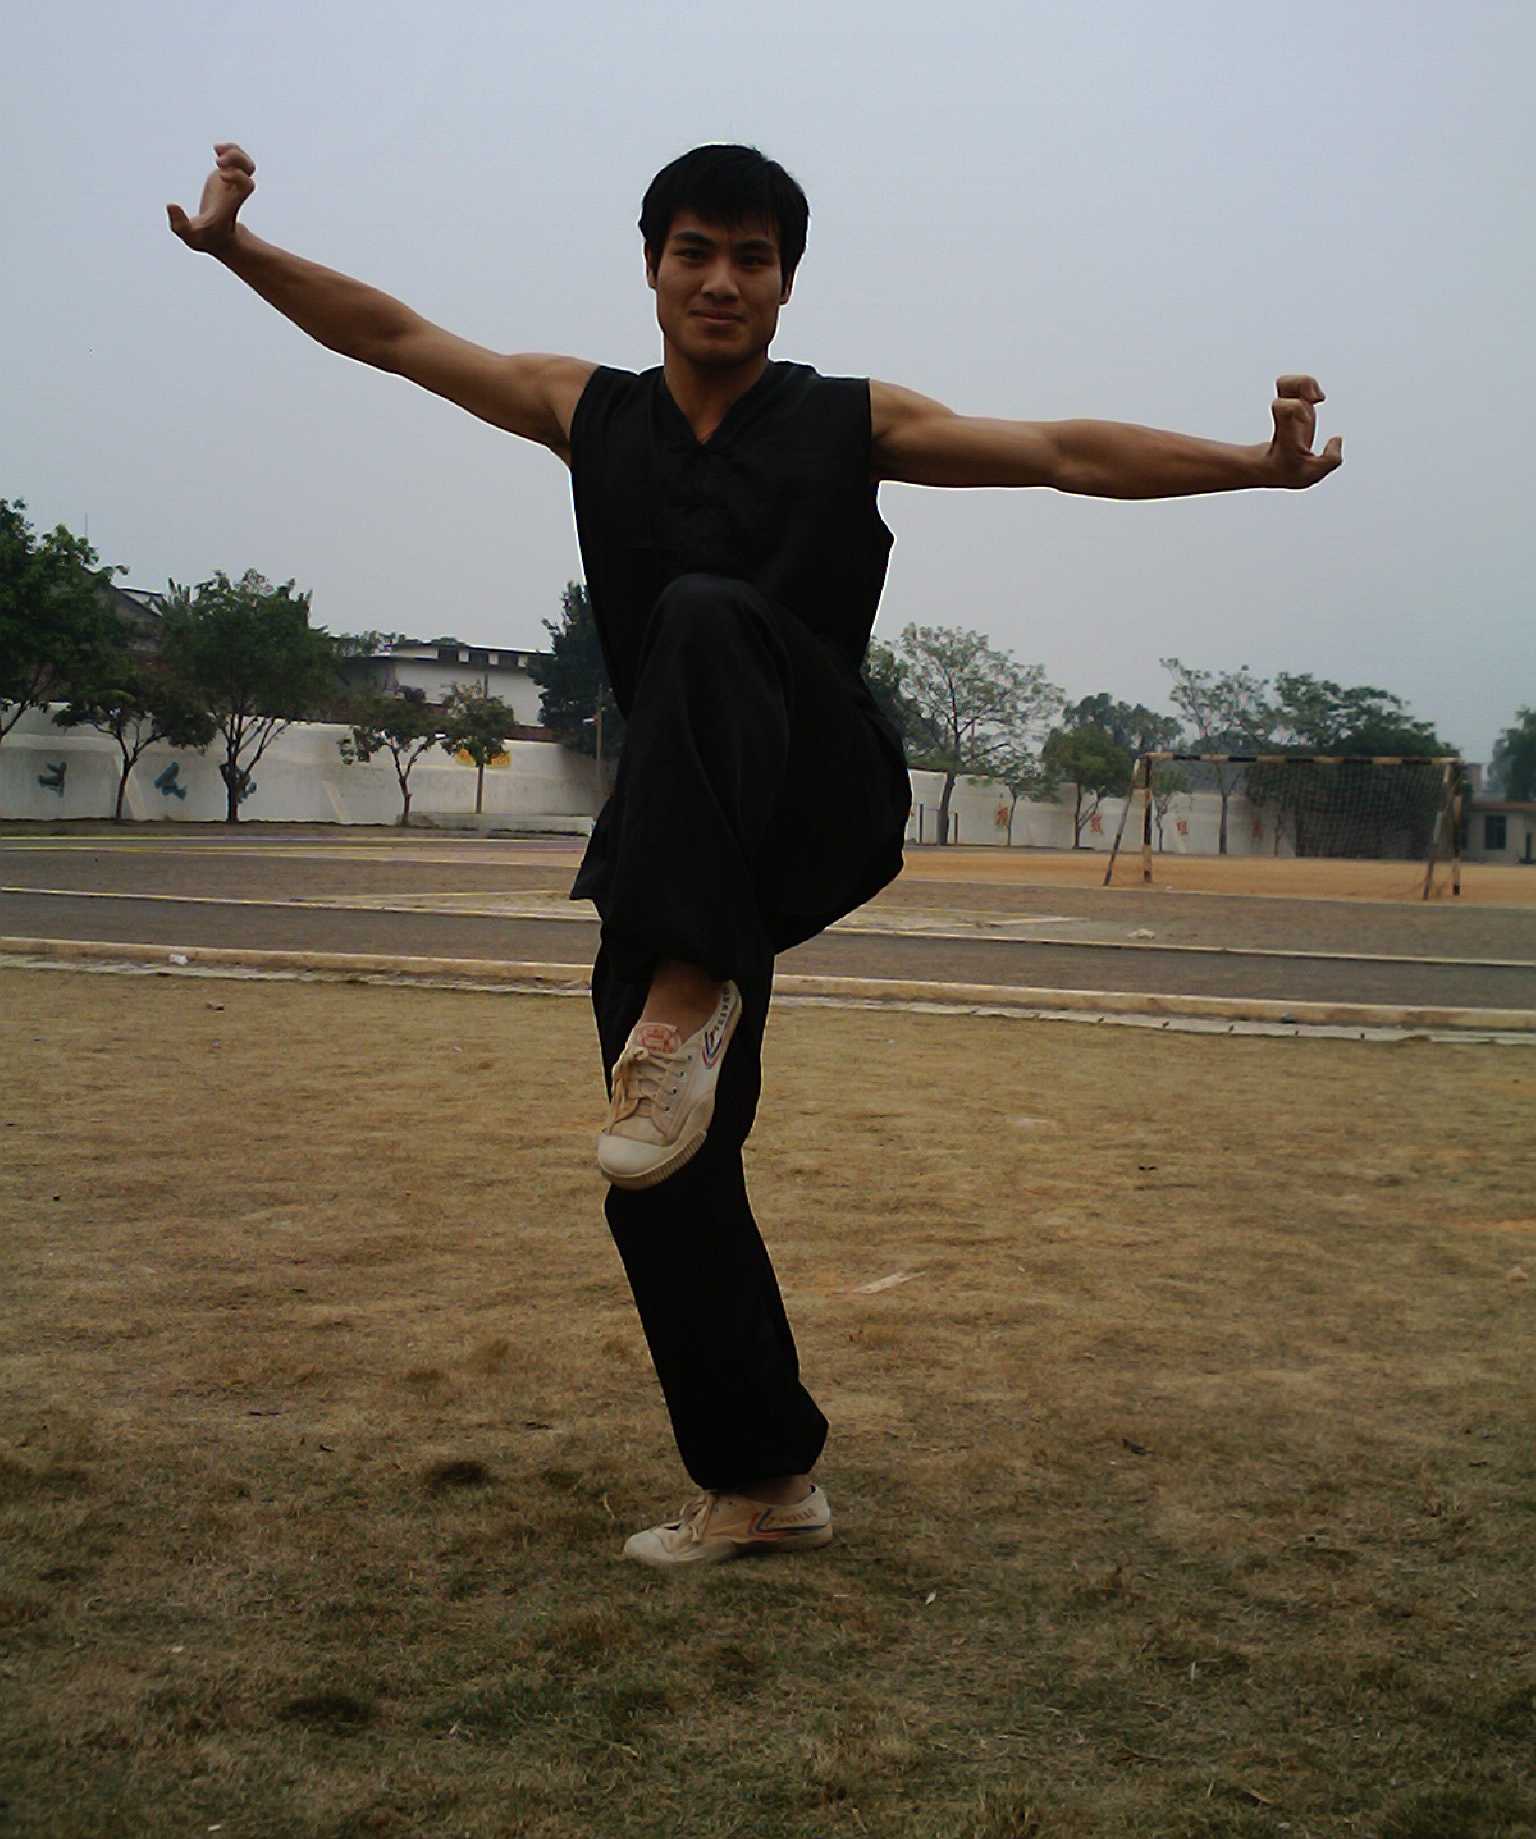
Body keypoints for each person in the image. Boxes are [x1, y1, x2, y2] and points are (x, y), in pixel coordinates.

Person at [169, 142, 1342, 1567]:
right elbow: (396, 337)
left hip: (819, 788)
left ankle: (690, 995)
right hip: (681, 837)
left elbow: (1061, 455)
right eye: (696, 252)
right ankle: (763, 1477)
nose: (722, 280)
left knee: (708, 613)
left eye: (753, 257)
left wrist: (1255, 469)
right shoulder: (586, 409)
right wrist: (237, 249)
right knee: (660, 1170)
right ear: (652, 265)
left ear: (787, 282)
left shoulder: (848, 420)